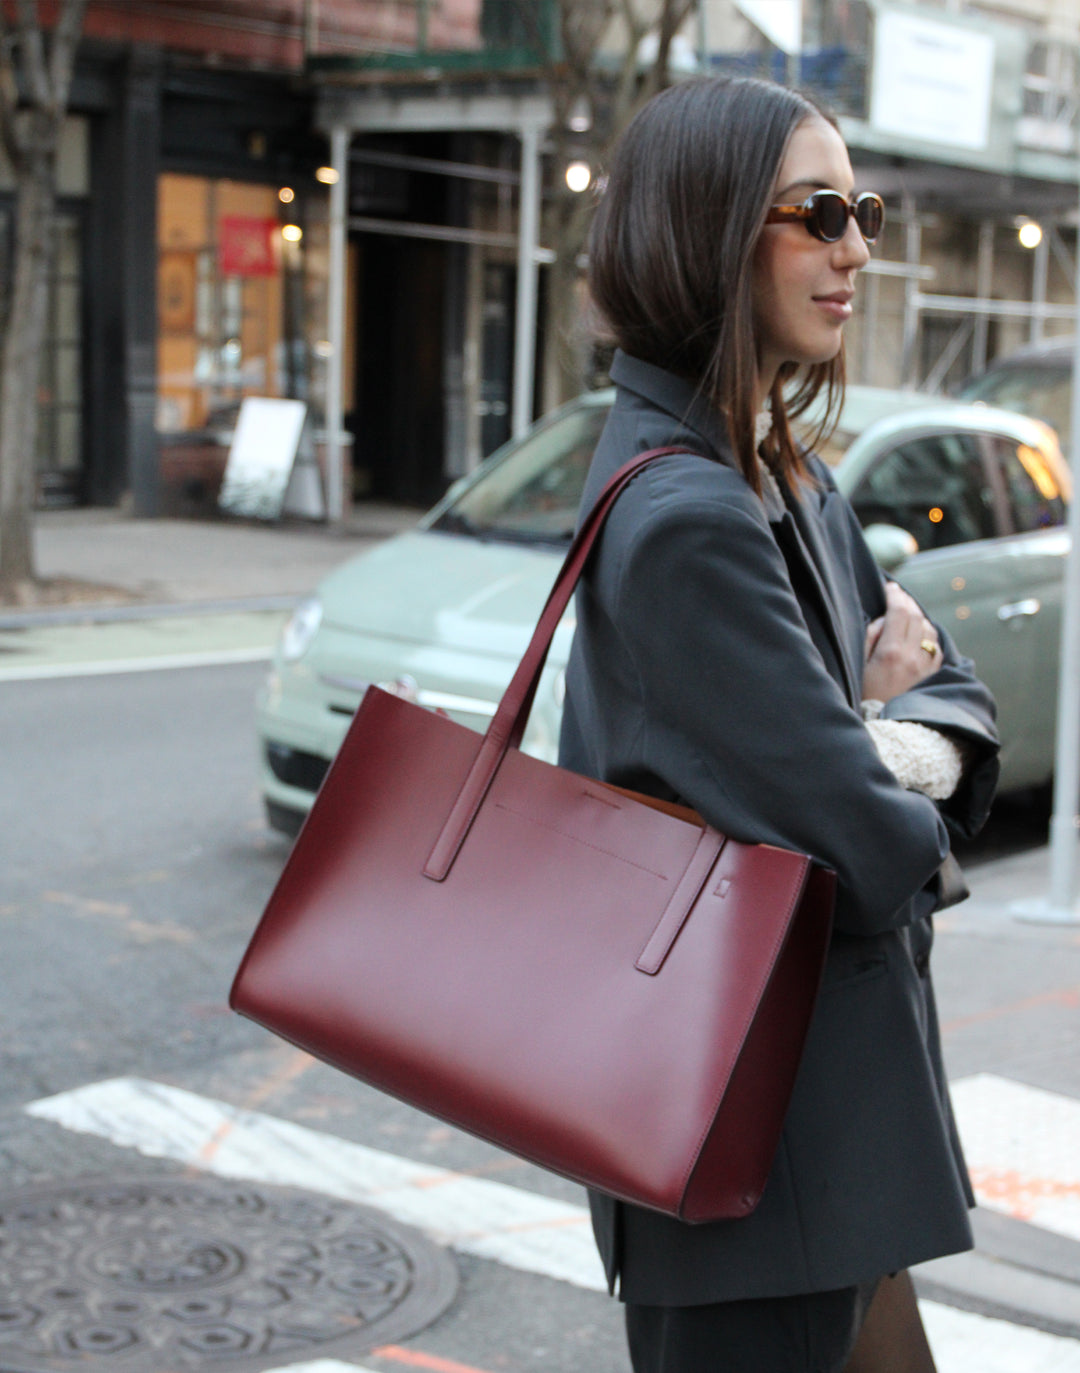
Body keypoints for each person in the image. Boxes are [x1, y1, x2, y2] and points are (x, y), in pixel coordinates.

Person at [558, 76, 1000, 1373]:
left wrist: (869, 730)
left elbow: (953, 690)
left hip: (824, 1146)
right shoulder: (686, 513)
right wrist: (879, 734)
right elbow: (870, 850)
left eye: (859, 210)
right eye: (818, 213)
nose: (858, 246)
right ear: (708, 231)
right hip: (747, 1161)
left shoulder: (782, 473)